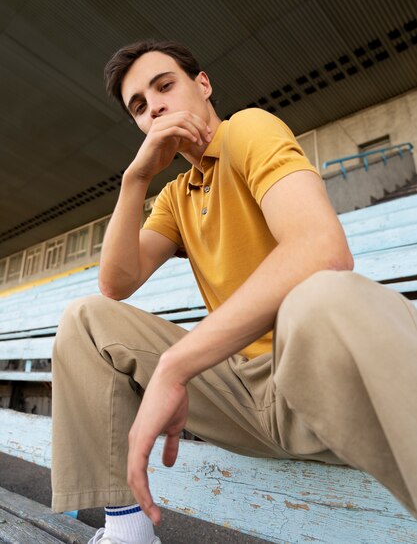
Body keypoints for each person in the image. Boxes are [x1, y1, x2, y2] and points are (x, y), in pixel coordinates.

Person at [52, 39, 417, 544]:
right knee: (84, 320)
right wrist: (134, 179)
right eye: (139, 106)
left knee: (322, 296)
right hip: (243, 399)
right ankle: (127, 531)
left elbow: (321, 248)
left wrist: (178, 366)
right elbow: (115, 283)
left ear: (202, 84)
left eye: (164, 86)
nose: (154, 106)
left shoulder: (248, 128)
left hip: (312, 383)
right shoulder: (176, 196)